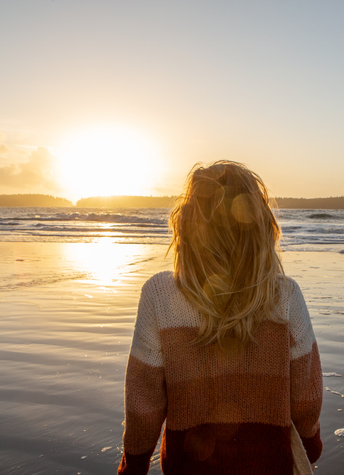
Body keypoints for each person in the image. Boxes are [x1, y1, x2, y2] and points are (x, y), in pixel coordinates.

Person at [118, 161, 323, 475]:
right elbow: (306, 392)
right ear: (261, 226)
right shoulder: (285, 296)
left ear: (186, 224)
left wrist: (134, 463)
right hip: (269, 463)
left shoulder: (160, 294)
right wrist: (310, 441)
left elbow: (143, 401)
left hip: (188, 465)